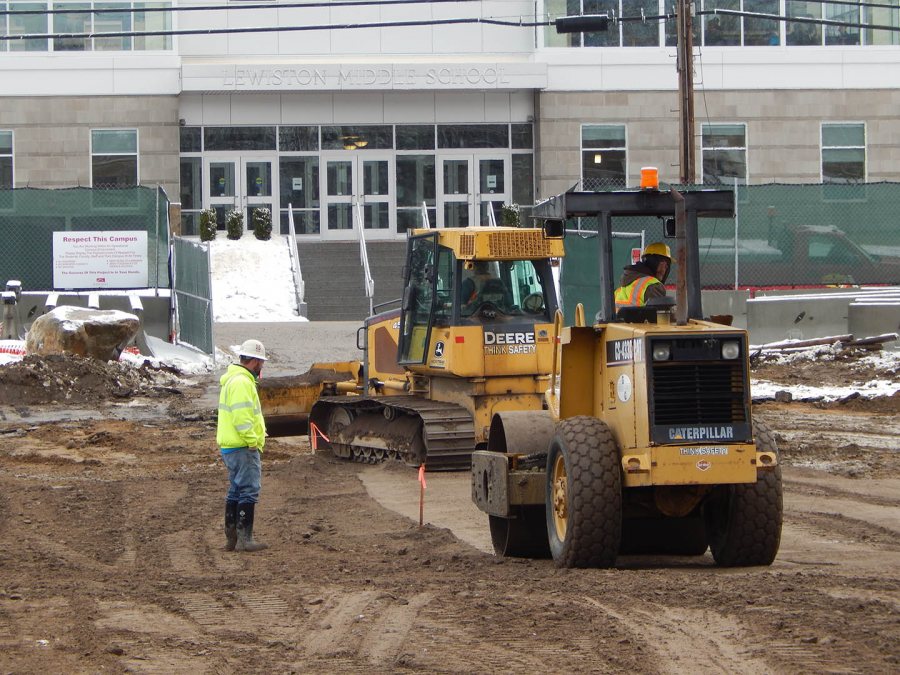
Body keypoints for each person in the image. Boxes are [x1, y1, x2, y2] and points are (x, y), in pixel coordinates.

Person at [217, 338, 269, 553]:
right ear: (255, 361)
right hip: (242, 446)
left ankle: (232, 538)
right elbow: (242, 417)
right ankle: (244, 540)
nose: (262, 367)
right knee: (248, 490)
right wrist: (252, 441)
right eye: (261, 362)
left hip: (231, 445)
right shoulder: (242, 382)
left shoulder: (233, 380)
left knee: (236, 489)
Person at [614, 242, 672, 311]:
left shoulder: (623, 284)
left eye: (666, 267)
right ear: (654, 263)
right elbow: (661, 317)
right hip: (639, 321)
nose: (664, 270)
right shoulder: (653, 286)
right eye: (664, 265)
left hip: (619, 321)